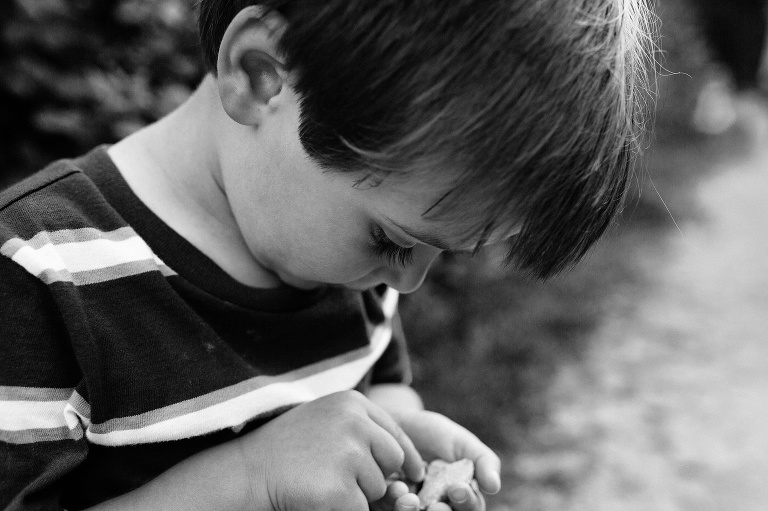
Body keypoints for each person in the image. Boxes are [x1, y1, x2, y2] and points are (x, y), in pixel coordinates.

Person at [0, 1, 657, 510]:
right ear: (261, 77)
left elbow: (380, 383)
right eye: (395, 239)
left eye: (441, 253)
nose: (411, 281)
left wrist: (403, 442)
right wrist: (255, 480)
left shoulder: (349, 262)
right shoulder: (41, 271)